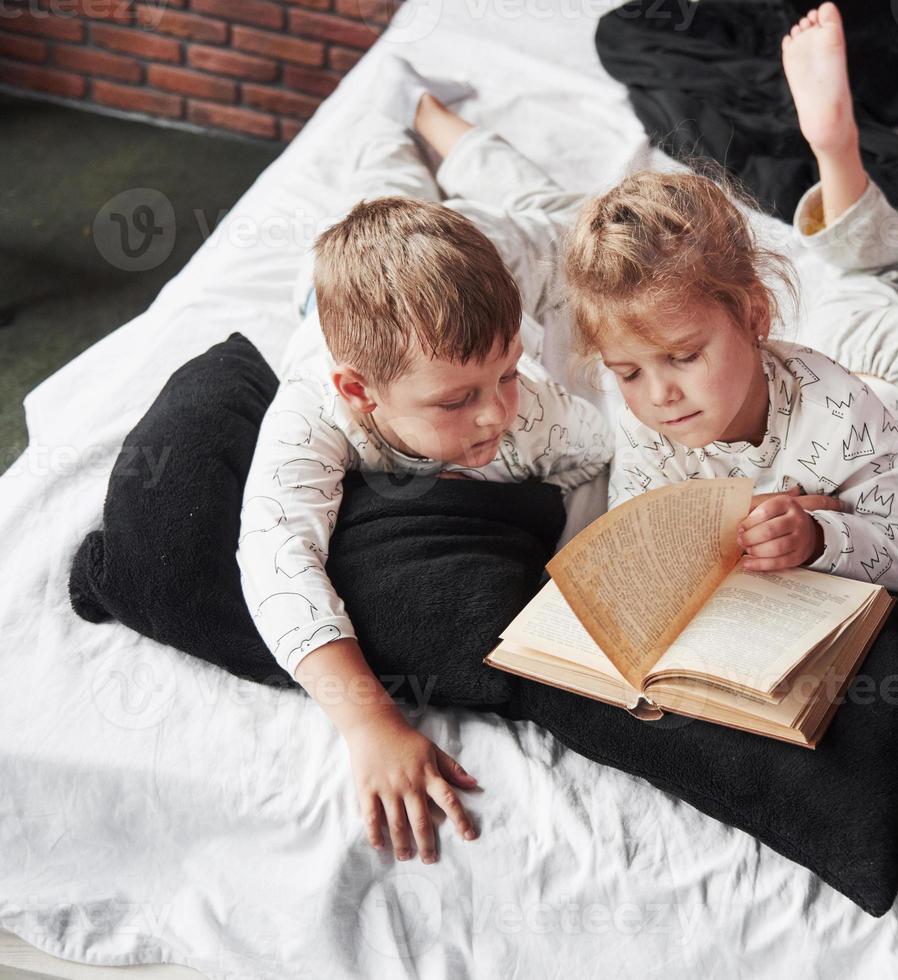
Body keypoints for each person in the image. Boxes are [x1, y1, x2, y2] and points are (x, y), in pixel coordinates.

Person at [560, 2, 898, 589]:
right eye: (628, 373)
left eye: (684, 356)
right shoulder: (646, 430)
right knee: (865, 273)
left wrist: (823, 536)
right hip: (834, 333)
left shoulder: (844, 416)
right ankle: (834, 146)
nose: (660, 395)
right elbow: (637, 533)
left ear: (755, 316)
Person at [237, 63, 610, 867]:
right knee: (378, 186)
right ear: (356, 393)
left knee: (566, 218)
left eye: (508, 375)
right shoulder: (315, 407)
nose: (496, 415)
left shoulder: (528, 408)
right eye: (456, 401)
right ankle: (397, 100)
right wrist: (369, 723)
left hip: (502, 246)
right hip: (341, 293)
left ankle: (438, 118)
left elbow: (602, 460)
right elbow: (274, 555)